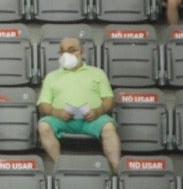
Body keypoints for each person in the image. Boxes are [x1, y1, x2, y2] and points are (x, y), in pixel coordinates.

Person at [37, 38, 121, 172]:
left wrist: (98, 111)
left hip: (93, 119)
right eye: (62, 51)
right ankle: (60, 165)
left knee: (109, 127)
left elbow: (109, 100)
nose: (66, 55)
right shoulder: (52, 76)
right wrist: (56, 112)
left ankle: (116, 169)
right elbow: (43, 104)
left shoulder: (97, 73)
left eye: (71, 50)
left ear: (81, 52)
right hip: (62, 120)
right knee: (43, 125)